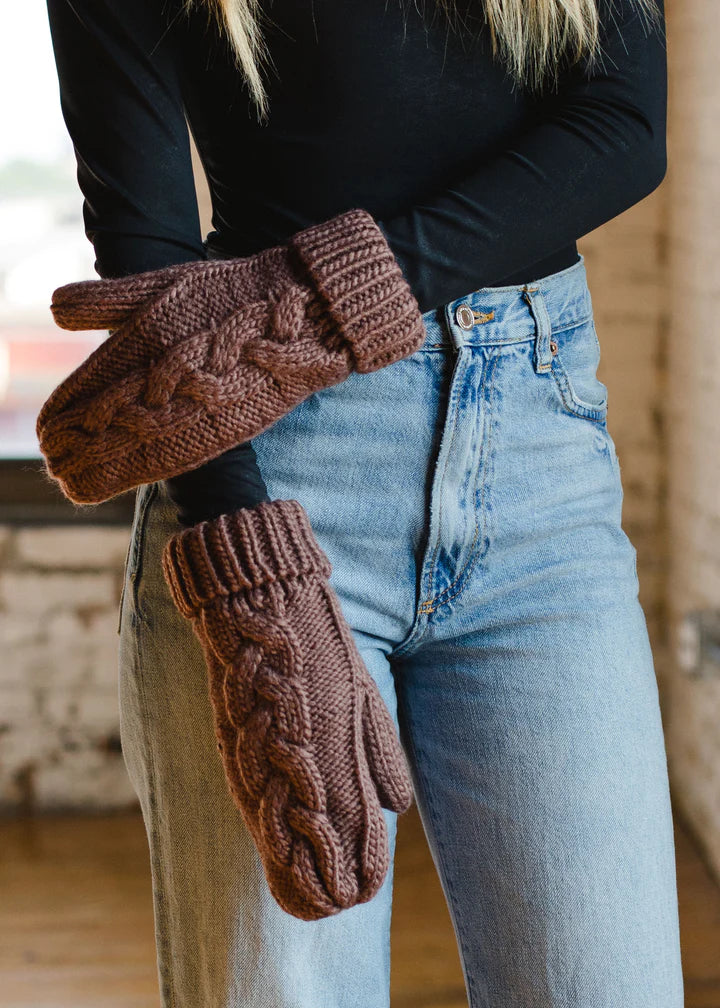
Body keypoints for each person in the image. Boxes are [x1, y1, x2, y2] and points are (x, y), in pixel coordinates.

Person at [44, 0, 685, 1004]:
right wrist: (250, 571)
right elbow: (145, 245)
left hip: (541, 462)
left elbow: (623, 127)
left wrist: (321, 310)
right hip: (265, 457)